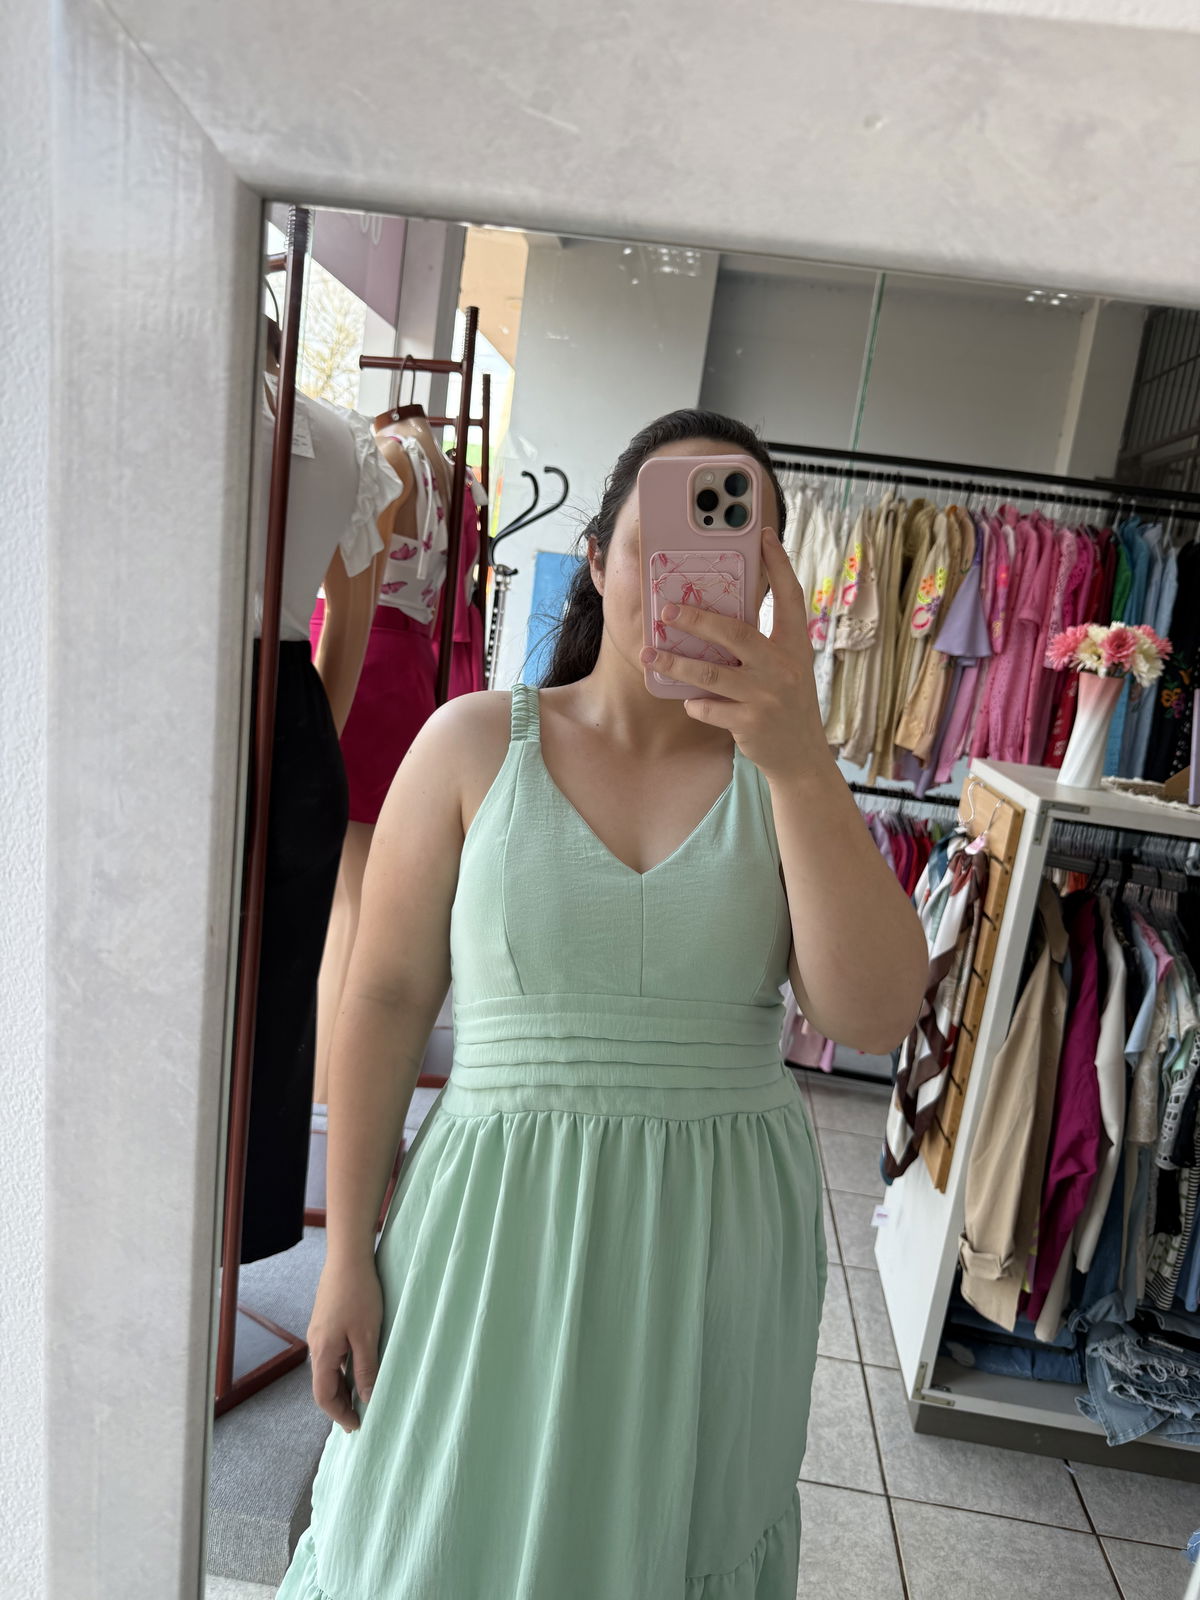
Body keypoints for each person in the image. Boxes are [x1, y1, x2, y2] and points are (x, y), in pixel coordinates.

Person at [274, 408, 928, 1600]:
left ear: (770, 585)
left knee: (666, 1542)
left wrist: (799, 757)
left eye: (731, 549)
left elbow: (876, 1012)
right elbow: (384, 995)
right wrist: (345, 1255)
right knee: (433, 1525)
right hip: (486, 1233)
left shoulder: (785, 783)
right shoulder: (472, 743)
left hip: (716, 1252)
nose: (685, 578)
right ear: (598, 556)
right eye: (655, 541)